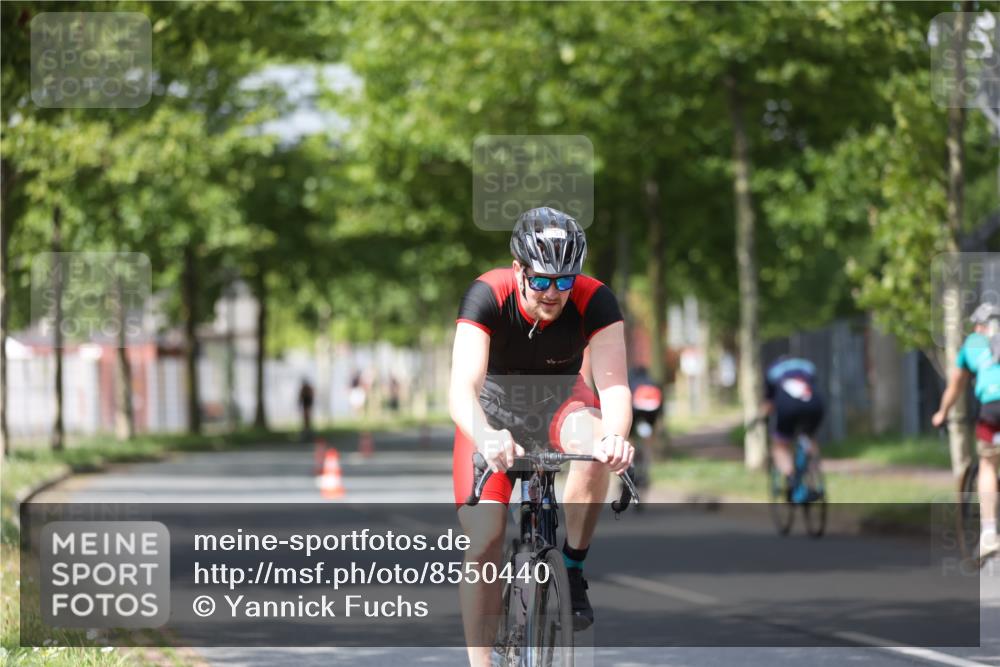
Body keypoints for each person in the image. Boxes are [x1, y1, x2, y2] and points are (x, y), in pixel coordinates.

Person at [449, 207, 633, 667]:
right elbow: (461, 388)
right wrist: (486, 436)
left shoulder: (597, 301)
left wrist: (614, 437)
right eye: (543, 280)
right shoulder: (487, 294)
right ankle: (481, 663)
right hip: (492, 413)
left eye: (565, 282)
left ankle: (571, 567)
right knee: (485, 538)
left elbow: (613, 387)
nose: (553, 293)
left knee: (594, 447)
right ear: (519, 270)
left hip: (557, 403)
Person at [932, 302, 1000, 562]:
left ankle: (989, 533)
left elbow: (955, 386)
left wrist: (941, 413)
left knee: (987, 465)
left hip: (992, 409)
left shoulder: (973, 343)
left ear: (980, 326)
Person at [759, 355, 824, 503]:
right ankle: (814, 474)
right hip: (815, 405)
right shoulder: (807, 366)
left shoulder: (772, 371)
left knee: (780, 445)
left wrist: (761, 418)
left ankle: (791, 479)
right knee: (809, 437)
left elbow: (769, 403)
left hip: (788, 407)